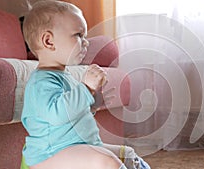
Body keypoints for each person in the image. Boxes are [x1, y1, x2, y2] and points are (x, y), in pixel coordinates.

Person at [20, 1, 150, 169]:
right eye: (78, 35)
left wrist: (93, 104)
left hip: (77, 147)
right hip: (50, 155)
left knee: (129, 156)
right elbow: (57, 114)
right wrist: (86, 88)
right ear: (48, 41)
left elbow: (72, 116)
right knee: (108, 163)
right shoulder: (41, 82)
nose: (86, 42)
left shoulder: (65, 76)